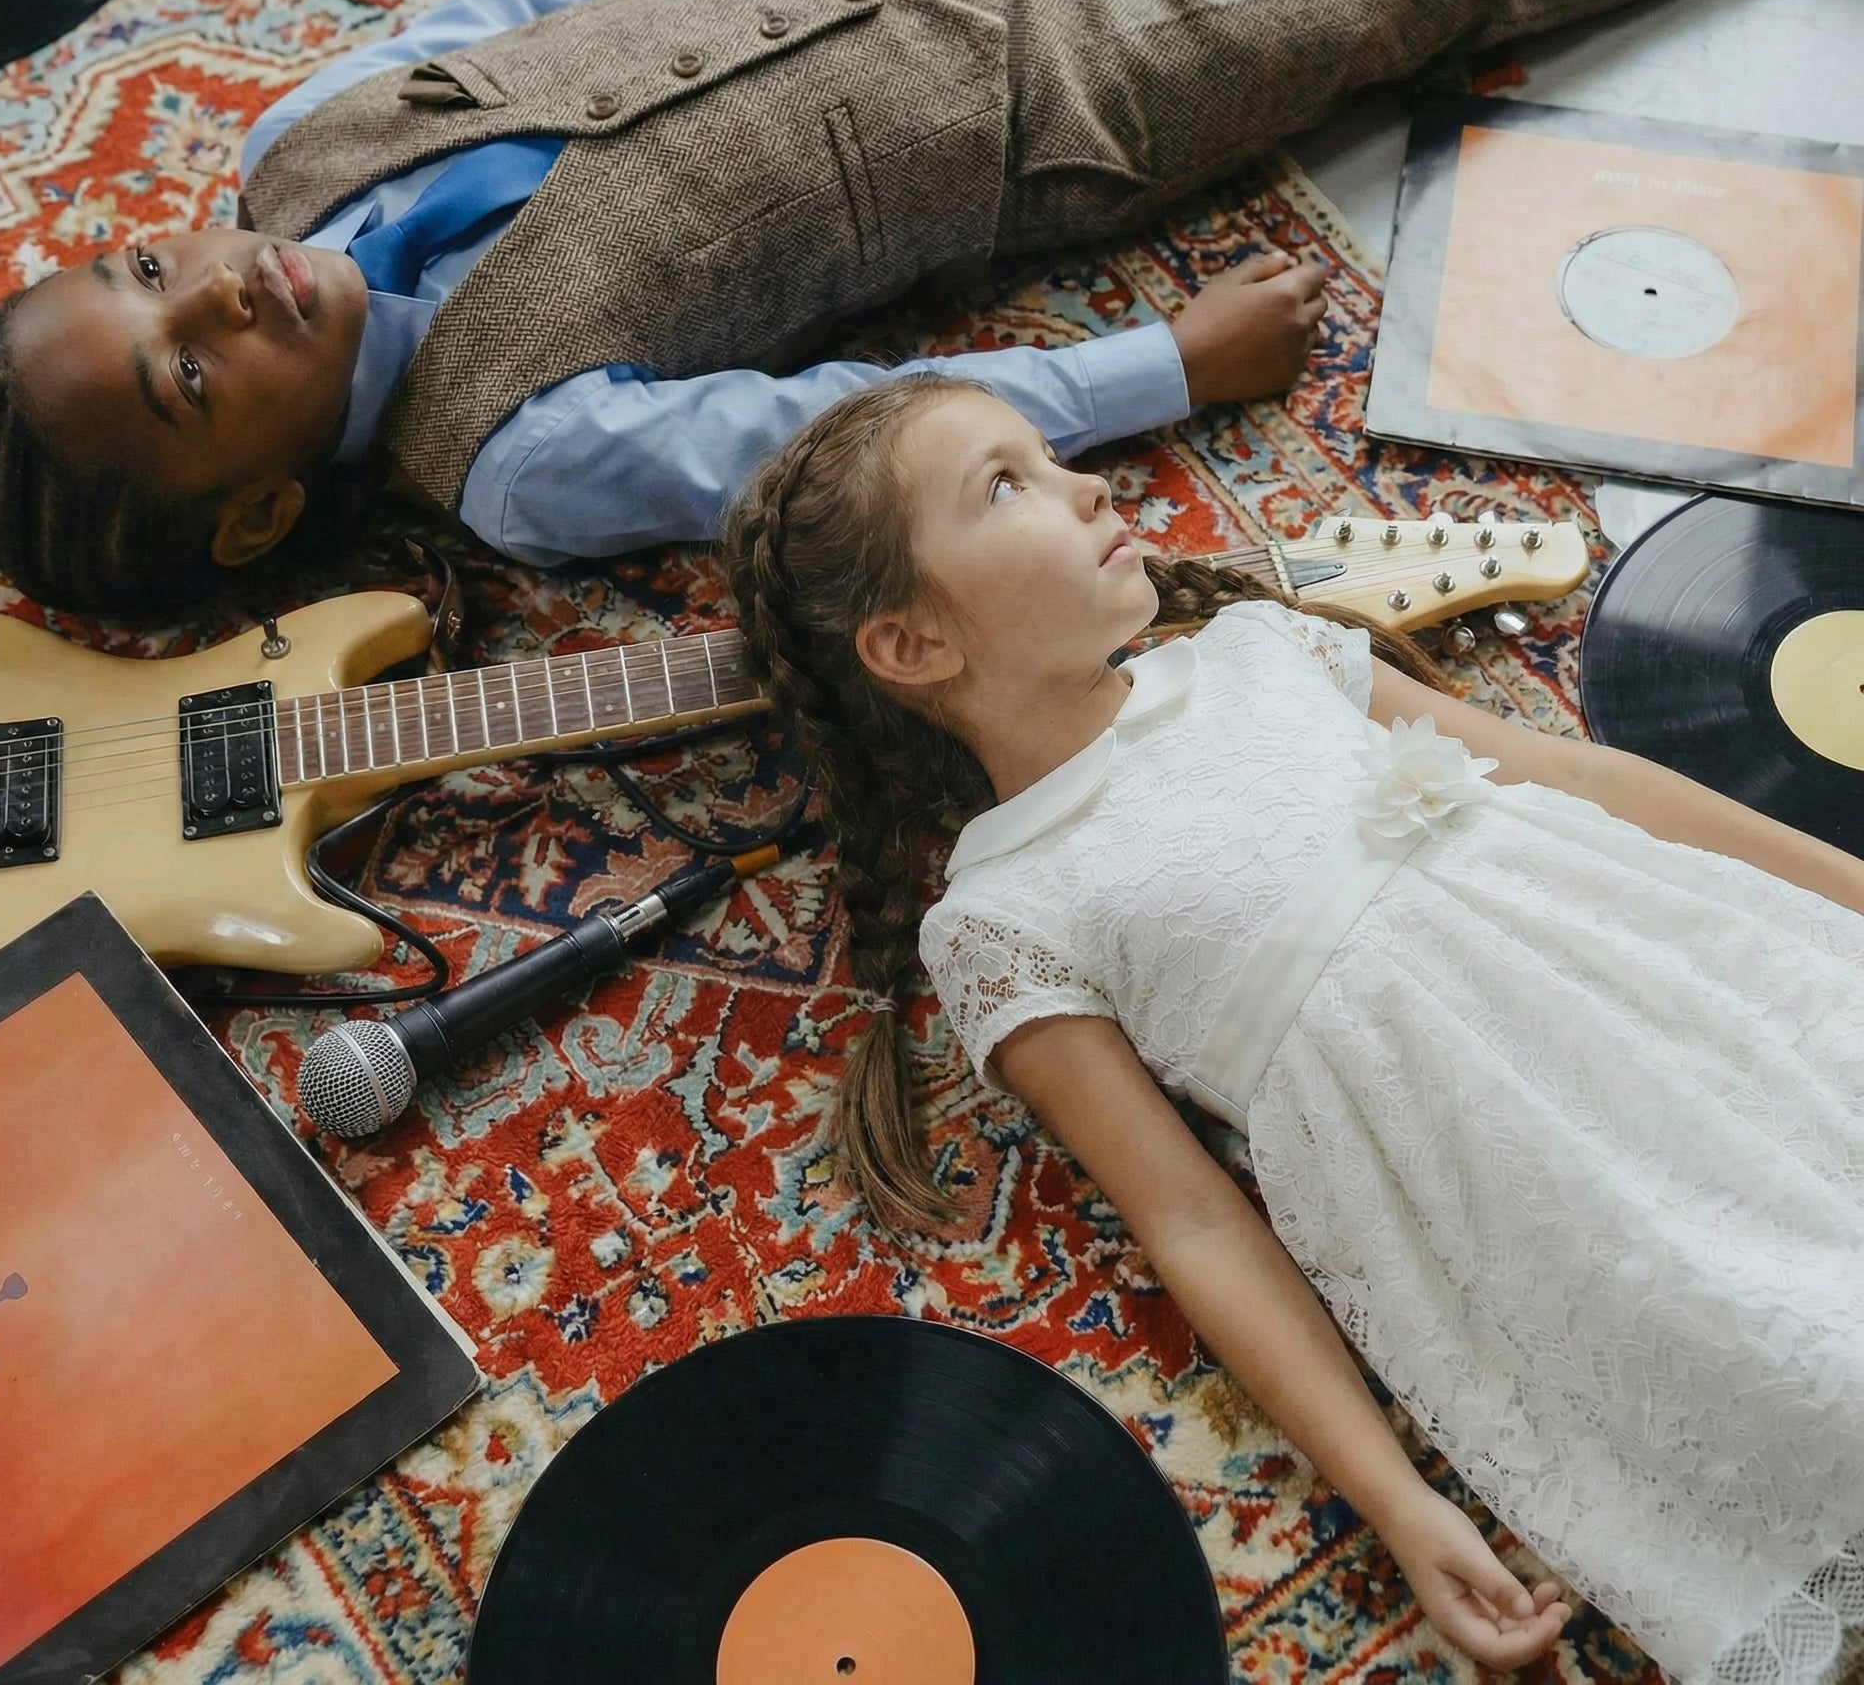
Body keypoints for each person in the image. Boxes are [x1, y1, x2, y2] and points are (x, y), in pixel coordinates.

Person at [0, 0, 1863, 622]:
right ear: (265, 507)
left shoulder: (297, 141)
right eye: (190, 379)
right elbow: (844, 439)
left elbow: (519, 5)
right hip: (1055, 98)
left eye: (146, 270)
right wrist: (1155, 368)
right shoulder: (509, 459)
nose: (212, 293)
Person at [718, 372, 1864, 1683]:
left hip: (1683, 987)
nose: (1088, 483)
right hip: (1536, 1178)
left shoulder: (1265, 652)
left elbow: (1577, 775)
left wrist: (1847, 892)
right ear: (914, 643)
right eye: (1005, 484)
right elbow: (1194, 1219)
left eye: (1048, 456)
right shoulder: (1000, 916)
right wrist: (1400, 1500)